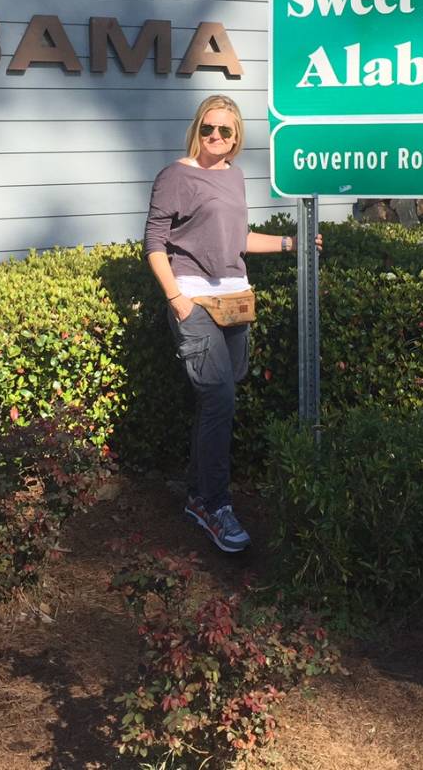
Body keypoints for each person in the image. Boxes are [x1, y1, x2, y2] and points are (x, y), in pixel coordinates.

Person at [143, 95, 308, 553]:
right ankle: (215, 505)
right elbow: (154, 241)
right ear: (197, 128)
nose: (215, 137)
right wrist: (176, 298)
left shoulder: (233, 176)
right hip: (194, 299)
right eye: (208, 129)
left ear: (237, 138)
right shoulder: (175, 176)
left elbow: (239, 239)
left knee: (220, 396)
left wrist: (291, 243)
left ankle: (198, 496)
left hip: (235, 298)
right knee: (219, 396)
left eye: (226, 132)